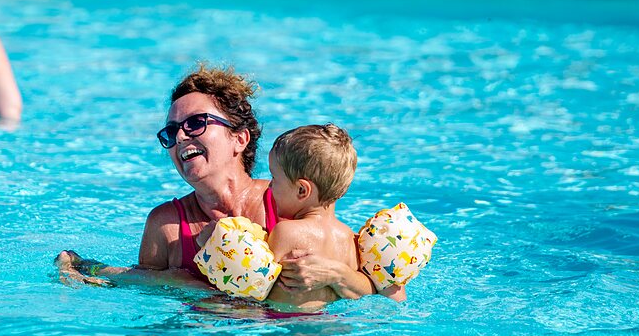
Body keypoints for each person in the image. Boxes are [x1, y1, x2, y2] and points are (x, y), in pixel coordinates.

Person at [56, 66, 380, 301]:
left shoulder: (290, 200)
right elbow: (146, 300)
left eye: (196, 123)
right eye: (170, 133)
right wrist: (88, 270)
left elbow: (387, 289)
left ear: (239, 139)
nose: (180, 136)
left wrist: (334, 275)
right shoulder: (166, 225)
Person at [196, 123, 402, 312]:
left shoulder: (286, 232)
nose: (270, 185)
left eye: (275, 178)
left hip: (286, 328)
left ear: (302, 190)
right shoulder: (349, 238)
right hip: (334, 326)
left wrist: (217, 246)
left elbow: (256, 289)